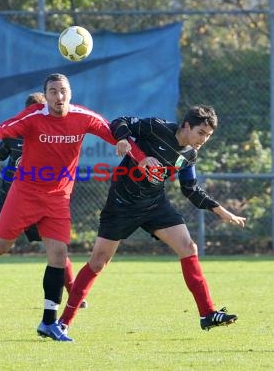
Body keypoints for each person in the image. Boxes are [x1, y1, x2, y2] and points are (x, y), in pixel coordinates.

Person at [0, 73, 144, 341]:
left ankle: (48, 322)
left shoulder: (83, 116)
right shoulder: (34, 116)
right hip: (24, 193)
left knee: (59, 256)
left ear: (70, 93)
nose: (59, 97)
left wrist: (137, 153)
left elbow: (114, 132)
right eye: (53, 92)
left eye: (63, 91)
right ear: (46, 95)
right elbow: (8, 126)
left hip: (58, 198)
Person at [57, 105, 246, 339]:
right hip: (121, 205)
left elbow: (191, 190)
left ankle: (207, 313)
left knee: (188, 248)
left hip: (155, 205)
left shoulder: (189, 155)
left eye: (208, 136)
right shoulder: (156, 127)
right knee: (98, 262)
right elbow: (120, 121)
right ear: (186, 125)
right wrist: (125, 140)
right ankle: (63, 322)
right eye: (201, 133)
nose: (204, 140)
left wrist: (221, 211)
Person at [0, 92, 87, 312]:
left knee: (57, 250)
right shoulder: (15, 133)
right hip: (11, 200)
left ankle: (74, 294)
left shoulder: (56, 134)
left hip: (42, 202)